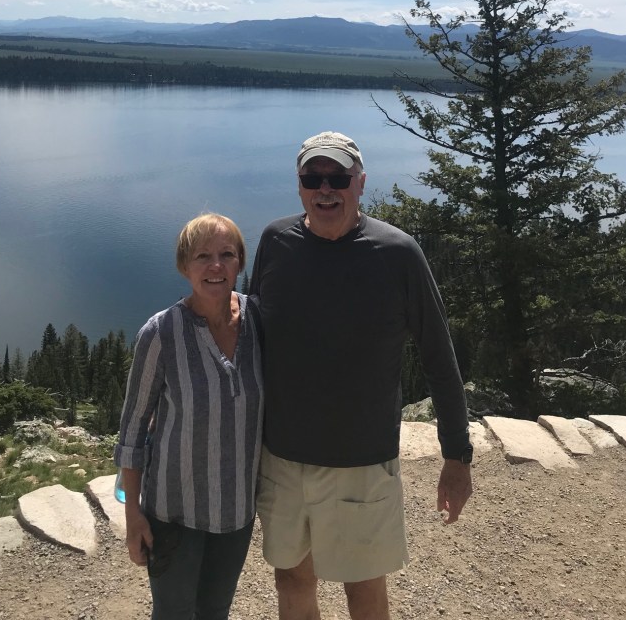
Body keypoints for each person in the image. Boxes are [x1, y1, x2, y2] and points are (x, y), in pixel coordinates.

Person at [250, 131, 472, 620]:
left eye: (338, 177)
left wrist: (457, 456)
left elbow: (439, 358)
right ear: (300, 185)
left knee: (364, 589)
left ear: (361, 182)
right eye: (313, 178)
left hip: (362, 461)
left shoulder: (397, 253)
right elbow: (250, 341)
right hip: (282, 458)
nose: (325, 189)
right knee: (291, 578)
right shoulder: (275, 242)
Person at [115, 213, 263, 620]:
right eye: (202, 256)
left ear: (240, 262)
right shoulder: (161, 333)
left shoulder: (258, 322)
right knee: (173, 613)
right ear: (185, 266)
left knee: (215, 611)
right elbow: (132, 431)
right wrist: (133, 515)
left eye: (226, 255)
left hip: (235, 511)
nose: (216, 266)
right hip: (173, 512)